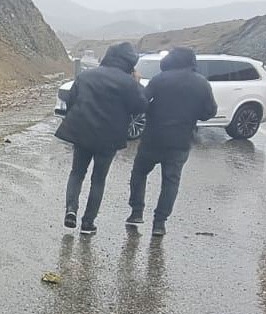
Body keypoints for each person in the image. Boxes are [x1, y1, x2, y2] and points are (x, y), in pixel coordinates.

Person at [55, 41, 147, 234]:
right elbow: (141, 107)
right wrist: (136, 84)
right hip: (108, 139)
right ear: (129, 62)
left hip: (82, 132)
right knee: (98, 179)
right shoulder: (128, 82)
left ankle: (71, 210)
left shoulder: (86, 76)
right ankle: (88, 223)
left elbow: (71, 100)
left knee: (77, 173)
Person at [126, 47, 218, 237]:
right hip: (181, 140)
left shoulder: (160, 79)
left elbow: (142, 102)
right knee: (170, 182)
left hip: (153, 138)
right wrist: (193, 113)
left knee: (139, 174)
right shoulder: (201, 83)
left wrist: (151, 109)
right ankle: (159, 223)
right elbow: (209, 112)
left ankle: (136, 212)